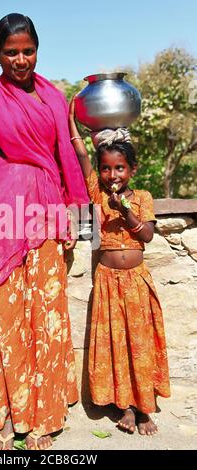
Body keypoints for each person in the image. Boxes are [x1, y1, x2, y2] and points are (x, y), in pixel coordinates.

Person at [0, 13, 89, 450]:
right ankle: (5, 414)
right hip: (2, 213)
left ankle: (44, 416)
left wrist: (76, 211)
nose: (20, 59)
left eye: (27, 50)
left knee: (47, 314)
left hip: (46, 212)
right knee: (8, 314)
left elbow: (66, 157)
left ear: (37, 50)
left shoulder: (56, 99)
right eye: (11, 52)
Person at [69, 99, 170, 435]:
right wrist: (73, 122)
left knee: (139, 344)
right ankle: (123, 406)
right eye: (107, 169)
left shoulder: (142, 197)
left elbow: (147, 234)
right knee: (115, 343)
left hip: (137, 282)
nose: (113, 175)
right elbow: (83, 158)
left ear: (132, 170)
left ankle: (144, 409)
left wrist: (125, 210)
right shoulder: (97, 194)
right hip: (108, 281)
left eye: (120, 169)